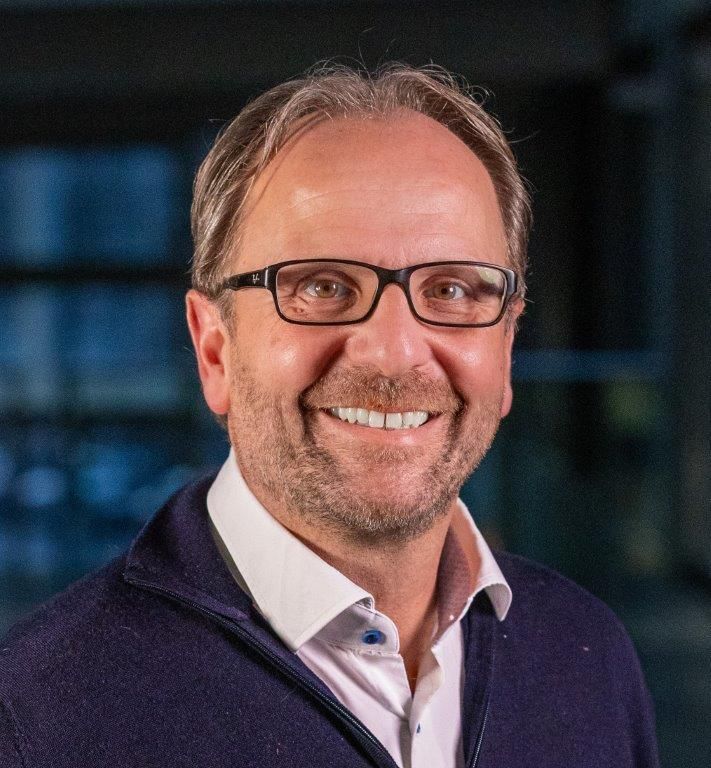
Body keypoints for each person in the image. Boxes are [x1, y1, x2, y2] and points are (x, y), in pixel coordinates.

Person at [0, 64, 659, 768]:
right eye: (320, 286)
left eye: (452, 290)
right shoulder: (37, 721)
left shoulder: (585, 656)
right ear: (215, 349)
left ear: (505, 346)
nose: (394, 352)